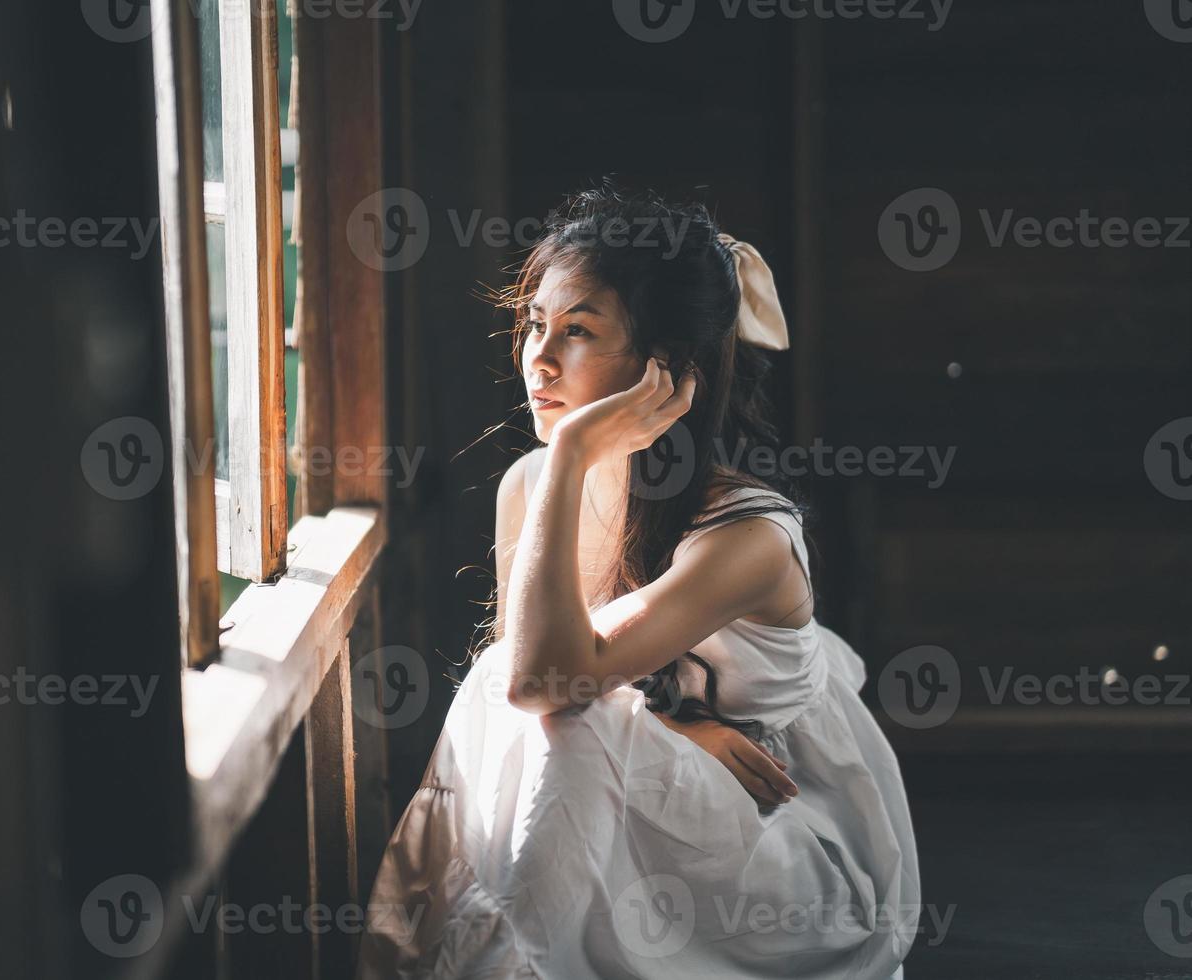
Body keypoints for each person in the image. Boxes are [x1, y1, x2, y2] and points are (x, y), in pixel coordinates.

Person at [356, 182, 920, 979]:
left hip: (775, 834)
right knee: (548, 711)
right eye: (534, 325)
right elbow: (532, 679)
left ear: (667, 369)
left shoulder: (747, 535)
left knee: (564, 719)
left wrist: (576, 448)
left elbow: (538, 683)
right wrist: (672, 730)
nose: (539, 359)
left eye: (578, 331)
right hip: (636, 802)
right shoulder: (535, 482)